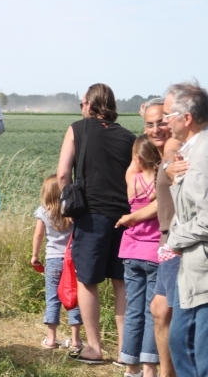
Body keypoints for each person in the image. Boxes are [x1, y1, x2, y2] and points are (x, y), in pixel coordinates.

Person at [57, 83, 136, 364]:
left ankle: (94, 347)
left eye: (82, 104)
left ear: (90, 105)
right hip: (126, 218)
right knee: (121, 283)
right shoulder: (129, 137)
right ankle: (127, 351)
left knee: (87, 280)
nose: (81, 109)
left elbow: (63, 173)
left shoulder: (78, 129)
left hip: (91, 216)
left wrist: (67, 208)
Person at [115, 98, 184, 376]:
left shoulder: (163, 159)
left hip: (148, 247)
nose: (157, 128)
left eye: (162, 121)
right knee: (155, 310)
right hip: (157, 247)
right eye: (150, 124)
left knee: (148, 309)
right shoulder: (162, 163)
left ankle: (136, 366)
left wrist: (132, 217)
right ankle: (149, 367)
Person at [164, 81, 208, 377]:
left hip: (202, 271)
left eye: (168, 115)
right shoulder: (191, 151)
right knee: (181, 343)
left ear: (186, 118)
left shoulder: (203, 157)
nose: (165, 122)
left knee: (193, 351)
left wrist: (174, 240)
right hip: (193, 268)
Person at [117, 134, 162, 377]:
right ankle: (150, 368)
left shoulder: (131, 179)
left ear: (137, 158)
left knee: (133, 309)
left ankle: (130, 366)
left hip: (130, 252)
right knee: (151, 311)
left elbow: (134, 164)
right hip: (154, 253)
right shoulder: (161, 182)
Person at [31, 174, 82, 350]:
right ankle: (76, 341)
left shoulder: (43, 211)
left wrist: (34, 255)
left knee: (52, 298)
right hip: (72, 260)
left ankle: (51, 339)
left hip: (52, 260)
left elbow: (38, 234)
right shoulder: (72, 211)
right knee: (73, 298)